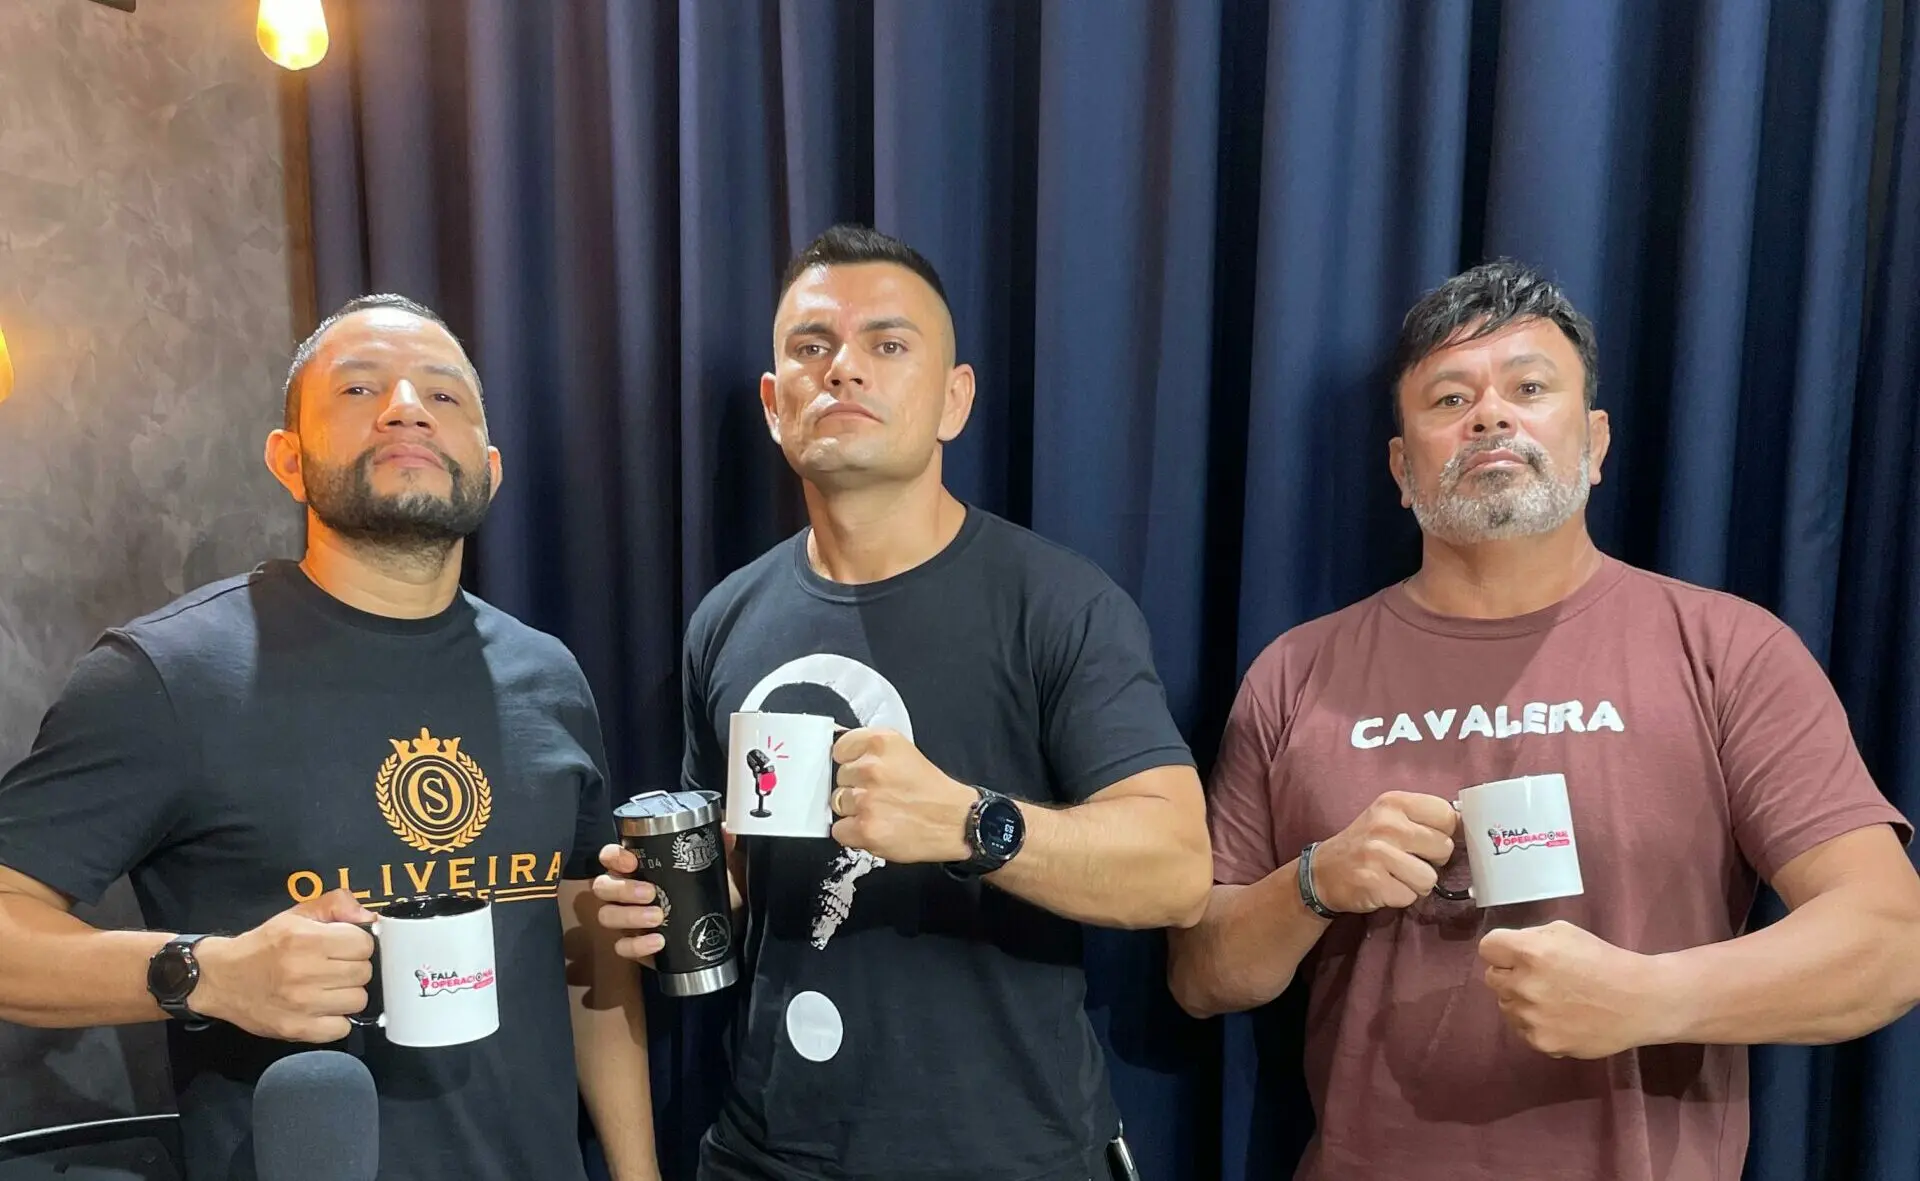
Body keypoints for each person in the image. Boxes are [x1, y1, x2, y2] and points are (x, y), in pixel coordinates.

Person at [1166, 259, 1920, 1181]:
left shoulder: (1729, 649)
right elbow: (1201, 974)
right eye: (1451, 398)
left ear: (1595, 443)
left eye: (1528, 388)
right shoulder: (1296, 672)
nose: (1490, 416)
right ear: (1402, 468)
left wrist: (1651, 997)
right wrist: (1313, 882)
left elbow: (1892, 940)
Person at [593, 224, 1212, 1181]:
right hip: (765, 1152)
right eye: (812, 346)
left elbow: (1176, 870)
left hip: (1009, 1158)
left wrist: (972, 823)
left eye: (887, 344)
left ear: (954, 398)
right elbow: (740, 867)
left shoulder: (1059, 603)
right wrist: (668, 899)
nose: (844, 368)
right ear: (774, 404)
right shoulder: (727, 617)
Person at [0, 295, 660, 1181]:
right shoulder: (168, 675)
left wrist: (637, 1170)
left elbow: (587, 954)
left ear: (490, 467)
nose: (406, 407)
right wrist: (207, 974)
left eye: (444, 395)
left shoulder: (548, 676)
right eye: (358, 388)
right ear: (289, 460)